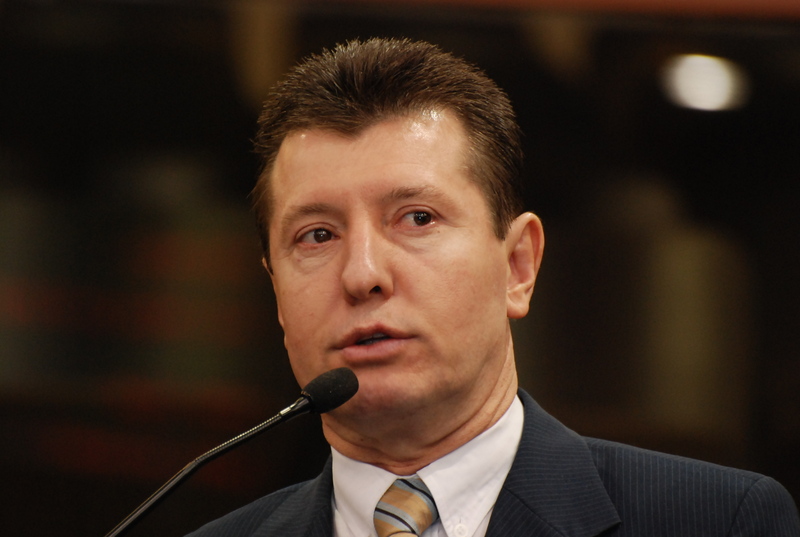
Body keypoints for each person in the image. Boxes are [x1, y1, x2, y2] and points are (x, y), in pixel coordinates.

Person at [188, 37, 800, 536]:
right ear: (276, 289)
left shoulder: (716, 521)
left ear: (518, 267)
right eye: (317, 235)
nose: (362, 274)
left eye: (417, 218)